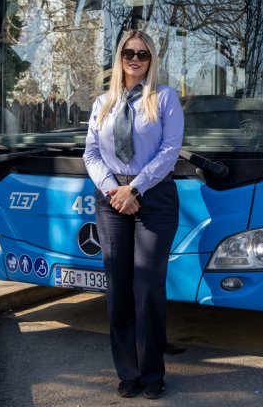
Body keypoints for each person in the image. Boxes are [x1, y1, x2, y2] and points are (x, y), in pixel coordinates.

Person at [83, 30, 184, 400]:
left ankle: (152, 373)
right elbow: (91, 153)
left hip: (153, 198)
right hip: (112, 199)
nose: (135, 59)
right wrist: (114, 190)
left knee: (148, 289)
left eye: (143, 54)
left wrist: (135, 189)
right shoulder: (103, 103)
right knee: (119, 290)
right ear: (120, 58)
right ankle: (128, 372)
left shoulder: (164, 98)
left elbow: (170, 150)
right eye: (129, 52)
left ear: (151, 59)